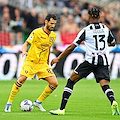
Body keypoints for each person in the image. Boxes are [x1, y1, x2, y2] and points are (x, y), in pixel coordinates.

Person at [49, 7, 119, 115]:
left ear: (89, 16)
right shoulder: (105, 28)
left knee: (71, 81)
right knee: (105, 85)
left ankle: (61, 109)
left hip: (90, 61)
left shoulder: (86, 30)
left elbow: (71, 47)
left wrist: (58, 58)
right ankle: (113, 101)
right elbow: (113, 43)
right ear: (99, 16)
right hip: (103, 61)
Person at [4, 13, 58, 112]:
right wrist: (24, 51)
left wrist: (48, 61)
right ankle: (9, 103)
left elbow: (48, 49)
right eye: (51, 23)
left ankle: (38, 102)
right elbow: (26, 43)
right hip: (31, 61)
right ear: (46, 22)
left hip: (42, 64)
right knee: (21, 79)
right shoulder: (36, 32)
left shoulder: (53, 36)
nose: (53, 26)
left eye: (54, 24)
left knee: (54, 83)